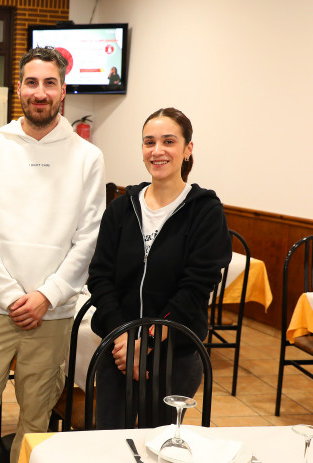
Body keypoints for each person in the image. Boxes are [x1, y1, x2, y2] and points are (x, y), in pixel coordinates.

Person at [0, 46, 106, 462]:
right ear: (19, 89)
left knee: (37, 416)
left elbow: (89, 237)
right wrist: (11, 296)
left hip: (53, 311)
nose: (40, 92)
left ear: (63, 90)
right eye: (32, 82)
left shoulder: (87, 157)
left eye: (49, 83)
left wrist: (47, 295)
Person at [87, 107, 232, 429]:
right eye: (149, 142)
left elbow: (195, 287)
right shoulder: (122, 208)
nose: (158, 151)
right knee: (109, 446)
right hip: (117, 354)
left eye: (169, 141)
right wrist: (125, 338)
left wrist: (148, 341)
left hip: (174, 356)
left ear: (187, 149)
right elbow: (100, 277)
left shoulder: (205, 211)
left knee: (161, 446)